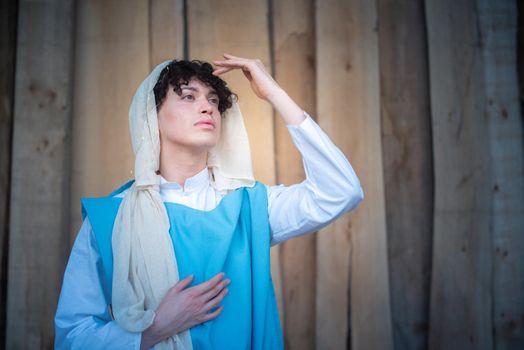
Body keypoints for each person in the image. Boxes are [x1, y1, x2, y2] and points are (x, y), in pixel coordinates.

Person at [54, 54, 364, 350]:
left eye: (214, 100)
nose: (207, 107)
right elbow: (73, 338)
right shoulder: (111, 218)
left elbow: (340, 191)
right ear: (151, 115)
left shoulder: (251, 206)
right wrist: (156, 327)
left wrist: (273, 93)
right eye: (188, 96)